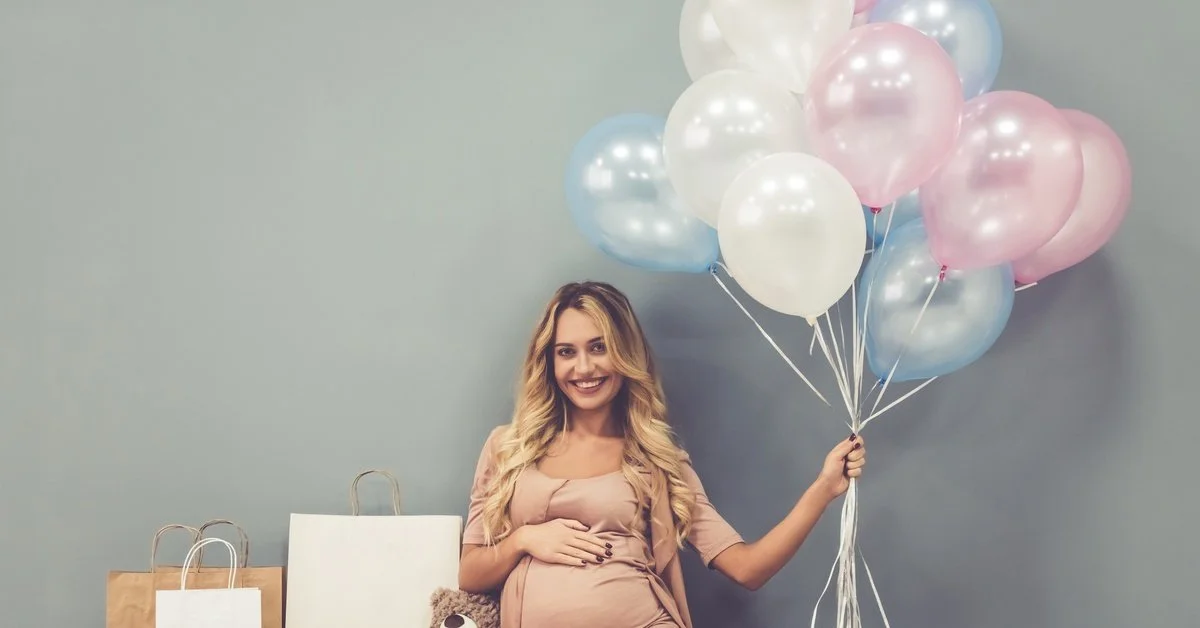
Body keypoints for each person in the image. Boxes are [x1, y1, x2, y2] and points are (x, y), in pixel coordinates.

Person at [458, 281, 866, 628]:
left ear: (625, 355)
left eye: (599, 348)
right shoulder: (507, 448)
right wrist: (525, 540)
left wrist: (823, 489)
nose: (583, 368)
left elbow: (748, 568)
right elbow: (470, 573)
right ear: (548, 361)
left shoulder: (655, 460)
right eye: (566, 352)